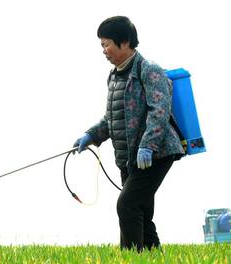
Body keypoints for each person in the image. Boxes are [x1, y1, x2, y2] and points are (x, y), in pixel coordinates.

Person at [73, 17, 184, 251]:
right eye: (102, 45)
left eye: (106, 44)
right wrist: (91, 136)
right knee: (140, 210)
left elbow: (160, 110)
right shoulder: (114, 76)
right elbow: (112, 118)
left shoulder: (149, 70)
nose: (104, 51)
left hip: (156, 153)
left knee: (127, 205)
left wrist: (148, 146)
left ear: (124, 42)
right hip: (128, 157)